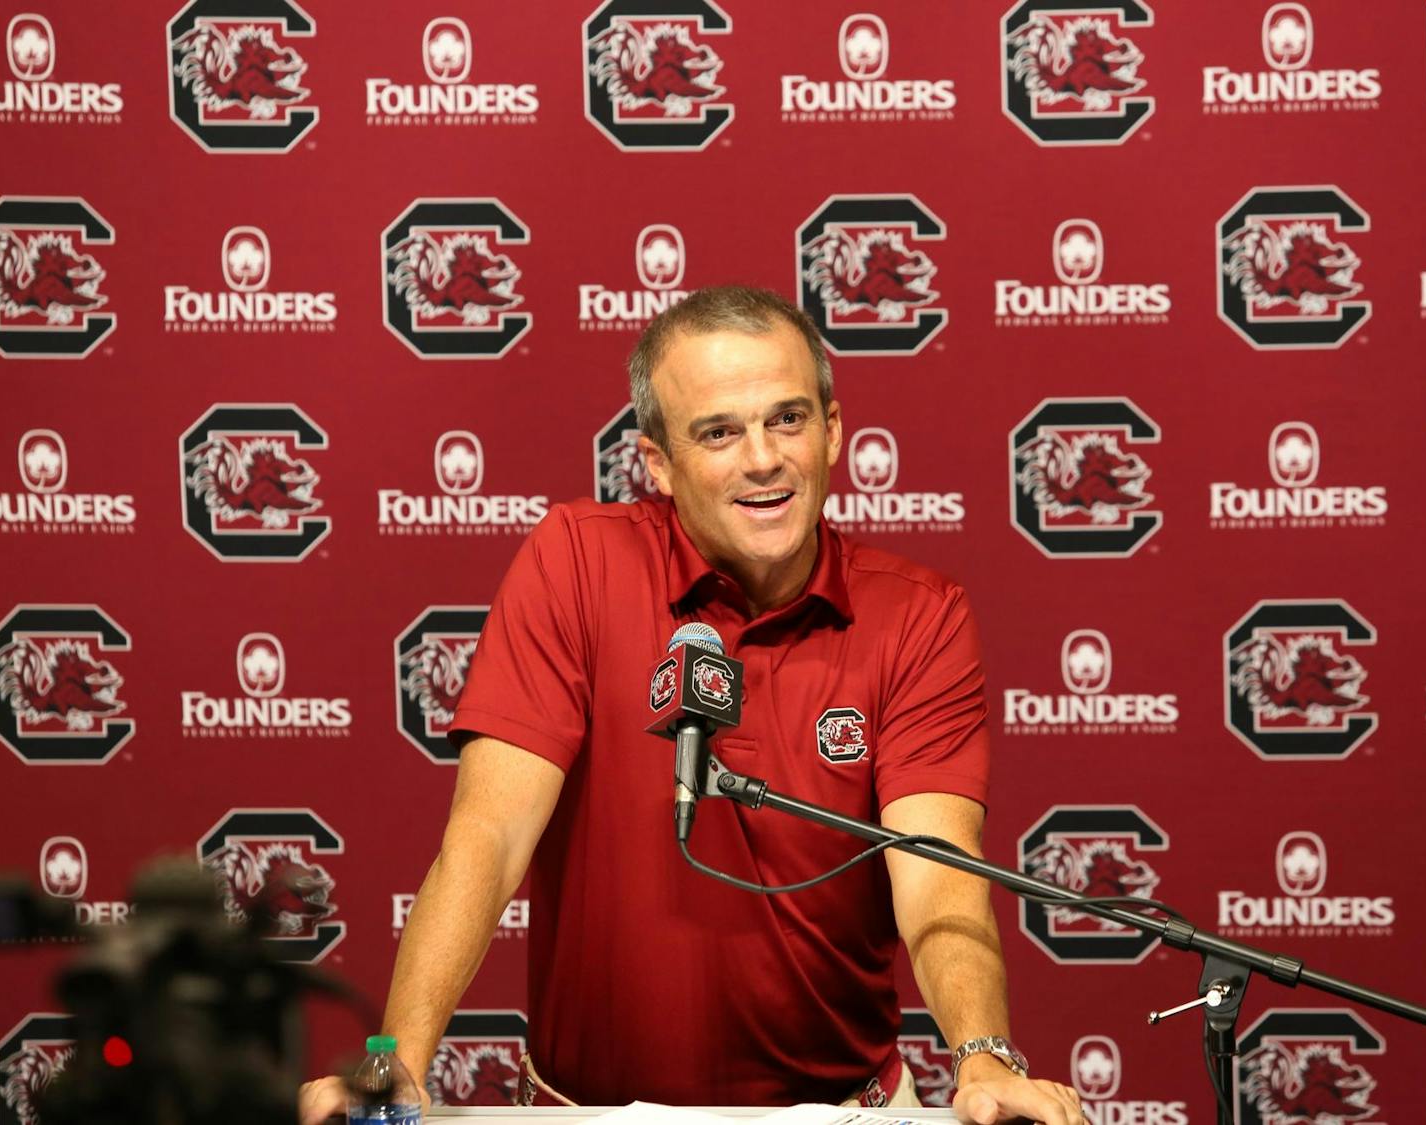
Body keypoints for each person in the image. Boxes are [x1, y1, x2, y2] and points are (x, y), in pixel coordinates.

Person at [301, 286, 1084, 1125]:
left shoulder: (919, 614)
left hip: (844, 1113)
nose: (762, 458)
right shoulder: (575, 562)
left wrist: (985, 1054)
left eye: (787, 419)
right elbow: (488, 837)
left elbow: (937, 874)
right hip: (588, 1113)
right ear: (660, 463)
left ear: (834, 430)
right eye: (718, 431)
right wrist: (396, 1061)